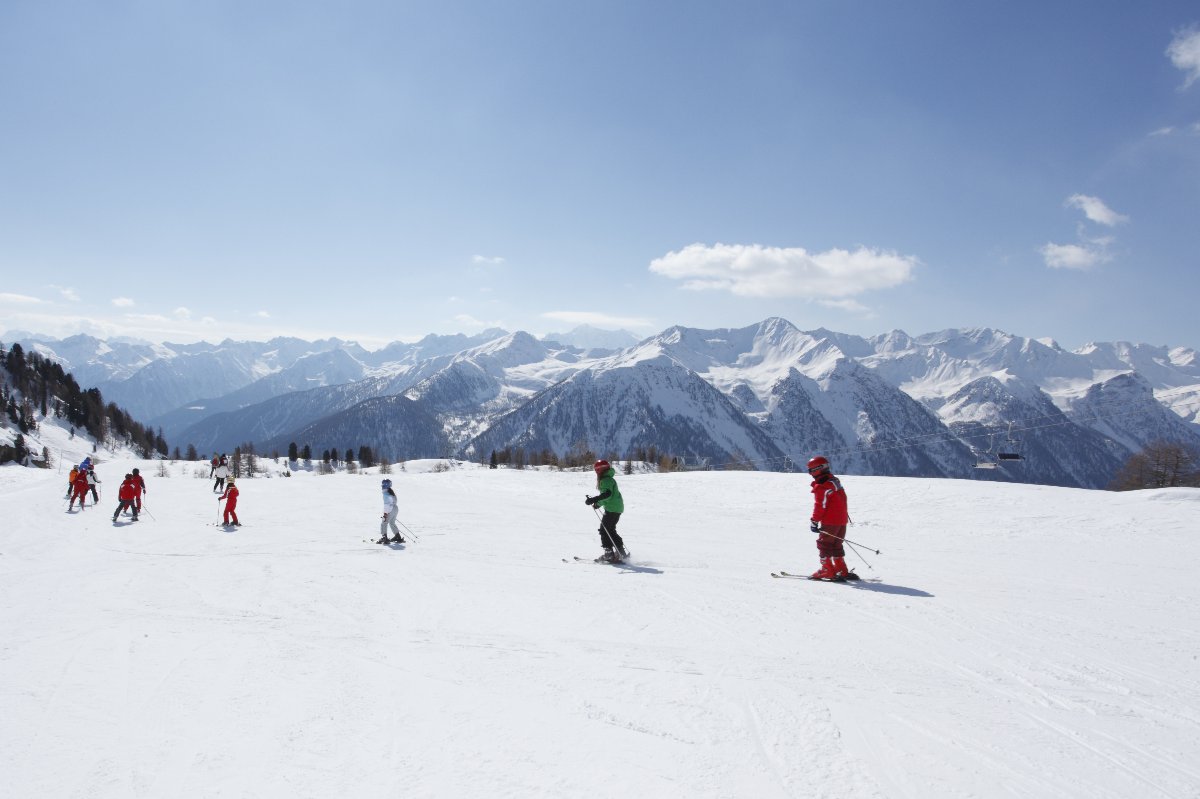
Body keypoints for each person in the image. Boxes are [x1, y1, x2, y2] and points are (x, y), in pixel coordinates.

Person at [807, 456, 855, 581]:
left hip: (830, 521)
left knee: (824, 544)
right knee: (836, 544)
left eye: (810, 471)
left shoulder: (822, 486)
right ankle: (841, 569)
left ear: (817, 470)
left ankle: (827, 570)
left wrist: (814, 521)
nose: (810, 474)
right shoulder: (834, 481)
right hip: (841, 520)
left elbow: (820, 506)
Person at [584, 459, 628, 562]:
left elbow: (607, 494)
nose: (596, 472)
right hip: (617, 508)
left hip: (612, 509)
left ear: (599, 470)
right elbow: (608, 497)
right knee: (610, 530)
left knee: (604, 530)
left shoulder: (605, 480)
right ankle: (621, 552)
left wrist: (593, 500)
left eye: (596, 470)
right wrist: (598, 504)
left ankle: (609, 554)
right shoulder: (609, 479)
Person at [377, 478, 404, 544]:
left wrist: (385, 514)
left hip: (390, 509)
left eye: (383, 485)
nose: (382, 486)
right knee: (392, 522)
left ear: (385, 485)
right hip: (395, 508)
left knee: (384, 522)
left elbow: (386, 504)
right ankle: (397, 536)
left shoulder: (385, 493)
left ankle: (384, 538)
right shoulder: (391, 492)